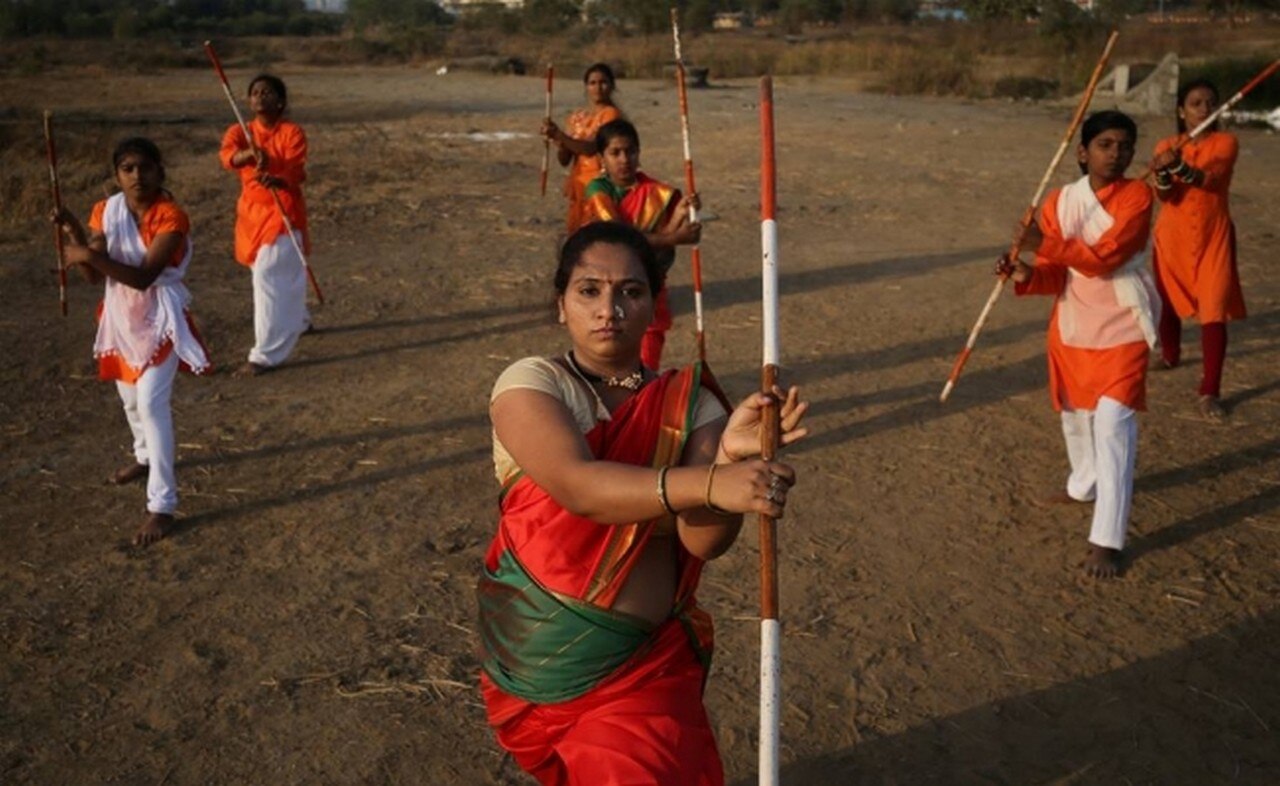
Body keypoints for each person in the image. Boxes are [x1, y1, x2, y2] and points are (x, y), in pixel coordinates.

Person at [478, 221, 808, 785]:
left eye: (630, 292)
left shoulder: (692, 406)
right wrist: (710, 483)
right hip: (528, 662)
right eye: (589, 290)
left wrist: (728, 459)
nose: (609, 309)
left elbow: (703, 541)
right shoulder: (532, 382)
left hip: (639, 677)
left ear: (653, 306)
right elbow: (579, 487)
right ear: (561, 305)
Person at [996, 110, 1158, 579]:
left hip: (1123, 323)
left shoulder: (1137, 196)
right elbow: (1056, 274)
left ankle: (1107, 539)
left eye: (1124, 146)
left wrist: (1043, 242)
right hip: (1073, 326)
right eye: (1105, 144)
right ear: (1083, 152)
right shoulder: (1059, 201)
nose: (1116, 154)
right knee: (1077, 417)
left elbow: (1105, 258)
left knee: (1112, 425)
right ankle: (1084, 484)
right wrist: (1025, 272)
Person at [51, 137, 211, 546]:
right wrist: (75, 232)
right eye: (127, 169)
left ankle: (163, 505)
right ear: (116, 175)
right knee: (130, 401)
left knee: (152, 403)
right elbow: (95, 277)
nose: (137, 175)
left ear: (160, 171)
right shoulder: (106, 211)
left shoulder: (171, 216)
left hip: (161, 317)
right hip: (121, 318)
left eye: (145, 167)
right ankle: (145, 456)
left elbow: (143, 277)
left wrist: (88, 255)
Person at [1149, 78, 1246, 421]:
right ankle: (1170, 354)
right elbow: (1165, 195)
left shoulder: (1226, 143)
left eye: (1210, 103)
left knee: (1213, 309)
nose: (1204, 109)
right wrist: (1162, 171)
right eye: (1196, 103)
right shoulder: (1167, 144)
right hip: (1172, 235)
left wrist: (1174, 165)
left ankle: (1210, 391)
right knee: (1167, 299)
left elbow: (1208, 180)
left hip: (1213, 236)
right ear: (1181, 111)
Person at [581, 118, 702, 371]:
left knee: (647, 354)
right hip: (608, 283)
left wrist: (679, 215)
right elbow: (621, 238)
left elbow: (657, 244)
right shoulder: (597, 190)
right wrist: (676, 238)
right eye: (615, 153)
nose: (624, 159)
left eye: (630, 151)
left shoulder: (657, 193)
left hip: (647, 284)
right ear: (602, 158)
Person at [219, 73, 311, 378]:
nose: (260, 96)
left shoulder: (292, 132)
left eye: (267, 92)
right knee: (272, 270)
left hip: (282, 210)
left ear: (280, 101)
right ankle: (300, 318)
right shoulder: (240, 131)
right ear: (249, 101)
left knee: (267, 275)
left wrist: (277, 177)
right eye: (255, 92)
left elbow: (296, 171)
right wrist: (247, 154)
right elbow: (227, 157)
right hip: (250, 214)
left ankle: (265, 355)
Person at [540, 63, 623, 233]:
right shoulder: (577, 117)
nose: (598, 87)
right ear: (586, 87)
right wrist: (557, 140)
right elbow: (565, 160)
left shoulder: (611, 115)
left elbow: (591, 148)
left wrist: (560, 135)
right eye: (592, 83)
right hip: (579, 184)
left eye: (603, 82)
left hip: (599, 184)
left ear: (612, 86)